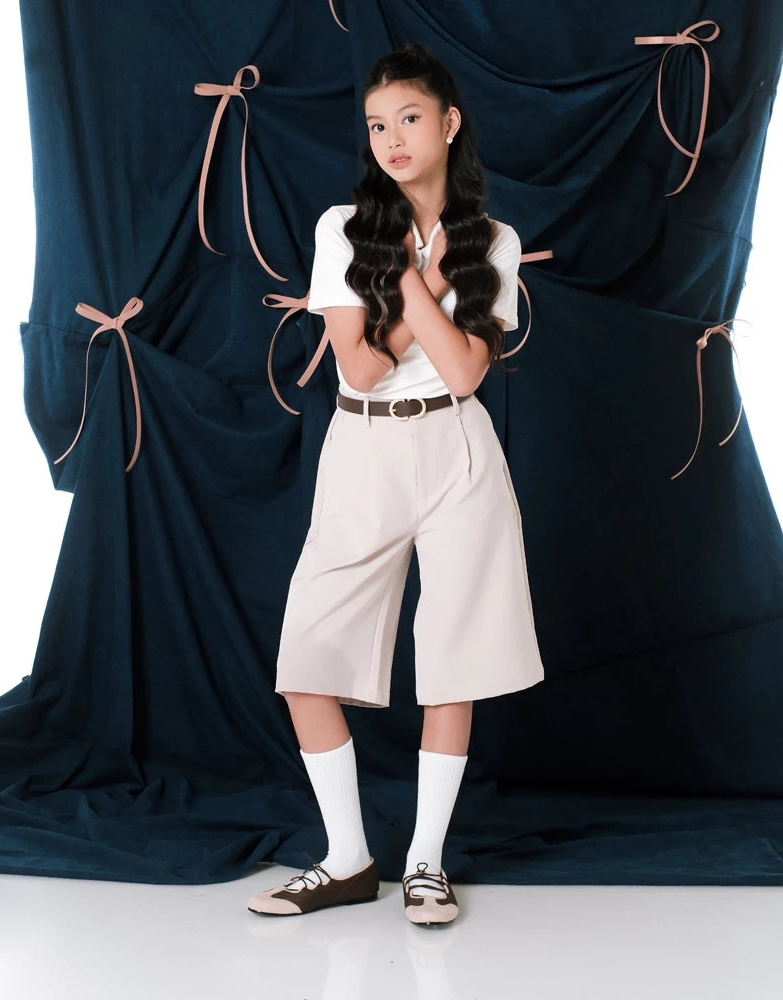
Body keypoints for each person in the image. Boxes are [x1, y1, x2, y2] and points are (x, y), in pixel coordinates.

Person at [247, 41, 545, 926]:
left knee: (452, 661)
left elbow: (463, 376)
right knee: (308, 654)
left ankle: (424, 864)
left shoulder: (497, 241)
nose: (392, 138)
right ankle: (346, 858)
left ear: (449, 124)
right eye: (378, 124)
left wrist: (427, 282)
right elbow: (362, 368)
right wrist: (424, 279)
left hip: (457, 451)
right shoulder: (344, 228)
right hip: (363, 448)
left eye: (409, 119)